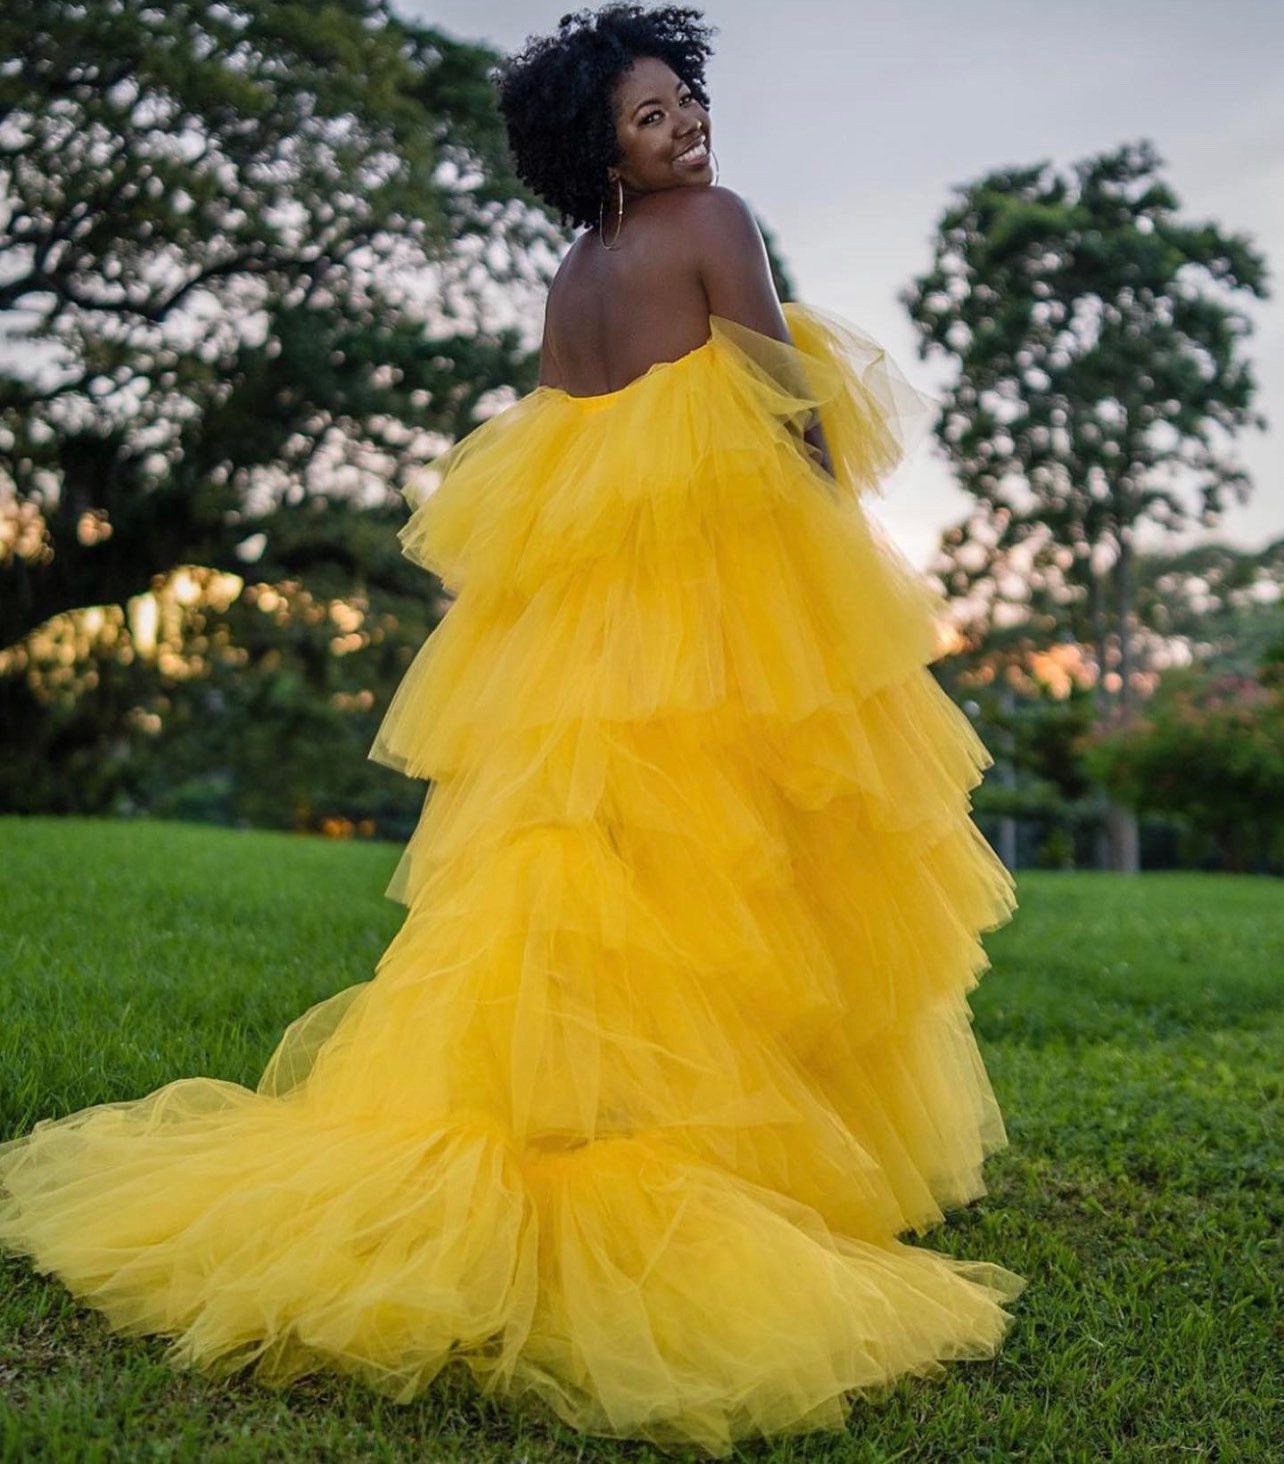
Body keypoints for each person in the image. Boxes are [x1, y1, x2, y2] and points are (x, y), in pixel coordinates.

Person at [0, 3, 1026, 1457]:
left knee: (598, 856)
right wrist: (833, 533)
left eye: (689, 104)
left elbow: (557, 439)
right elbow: (779, 398)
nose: (688, 131)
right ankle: (740, 1148)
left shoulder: (574, 271)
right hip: (719, 599)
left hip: (593, 622)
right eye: (652, 117)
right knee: (747, 852)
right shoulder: (715, 221)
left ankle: (600, 1105)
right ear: (595, 149)